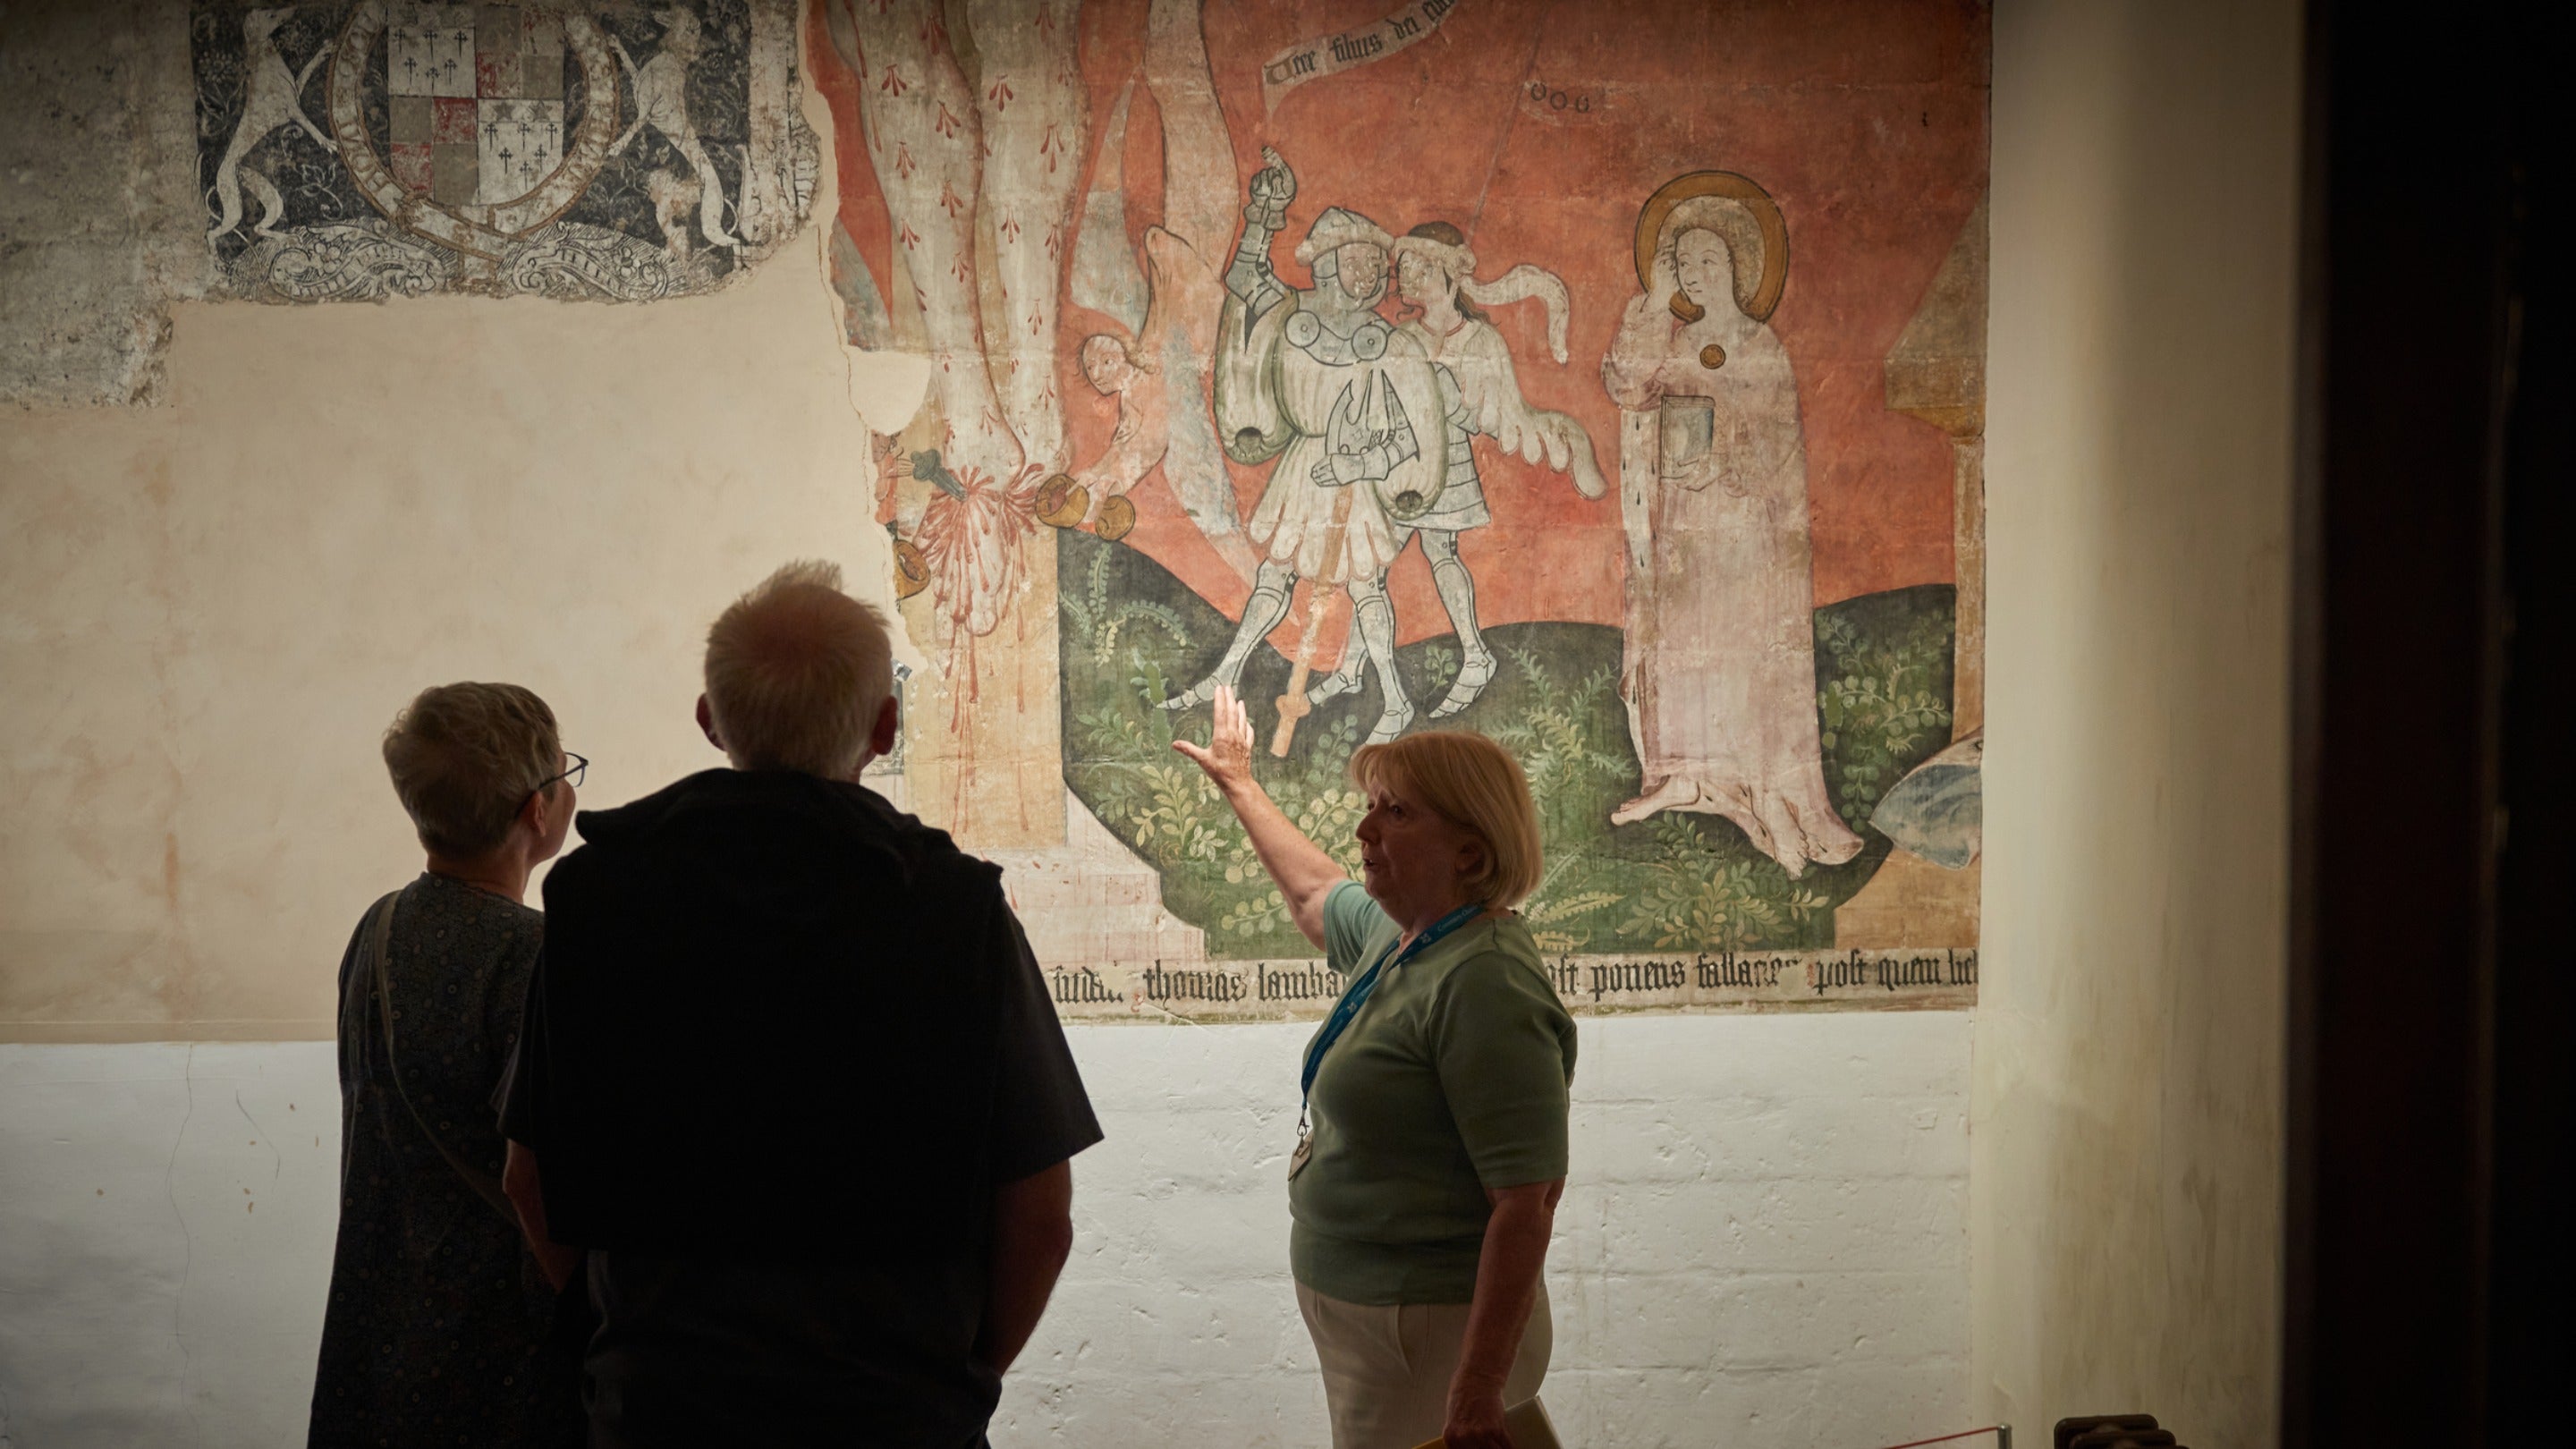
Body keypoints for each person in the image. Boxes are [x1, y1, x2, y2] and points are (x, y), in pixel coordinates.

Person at [497, 560, 1101, 1447]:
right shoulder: (953, 909)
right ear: (886, 728)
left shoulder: (597, 898)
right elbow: (1041, 1221)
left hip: (663, 1407)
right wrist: (956, 1377)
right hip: (897, 1407)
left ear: (709, 720)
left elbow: (528, 1178)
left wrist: (635, 1347)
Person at [1174, 686, 1576, 1449]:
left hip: (1428, 1330)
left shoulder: (1483, 979)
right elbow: (1313, 890)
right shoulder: (1404, 938)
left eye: (1396, 813)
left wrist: (1478, 1385)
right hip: (1384, 1322)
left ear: (1470, 849)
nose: (1364, 829)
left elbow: (1529, 1200)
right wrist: (1240, 784)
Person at [309, 682, 586, 1447]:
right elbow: (539, 1177)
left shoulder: (380, 925)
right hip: (500, 1344)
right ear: (538, 810)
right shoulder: (536, 955)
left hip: (381, 1311)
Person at [1164, 148, 1480, 746]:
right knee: (1274, 574)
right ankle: (1226, 673)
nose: (1378, 274)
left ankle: (1393, 700)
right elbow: (1241, 279)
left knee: (1366, 588)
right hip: (1302, 468)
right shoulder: (1288, 312)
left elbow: (1410, 434)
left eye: (1377, 263)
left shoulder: (1385, 342)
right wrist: (1266, 209)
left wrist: (1360, 463)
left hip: (1352, 480)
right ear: (1330, 264)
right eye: (1363, 260)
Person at [1601, 179, 1865, 876]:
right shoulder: (1674, 337)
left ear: (1739, 270)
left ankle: (1762, 786)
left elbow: (1777, 439)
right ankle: (1684, 777)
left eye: (1709, 262)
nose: (1696, 274)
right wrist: (1656, 303)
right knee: (1687, 641)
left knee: (1739, 644)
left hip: (1745, 523)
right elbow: (1626, 385)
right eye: (1684, 266)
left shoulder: (1761, 343)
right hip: (1684, 521)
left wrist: (1721, 455)